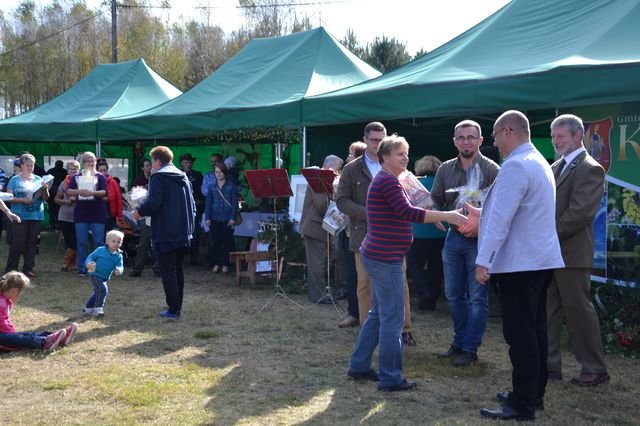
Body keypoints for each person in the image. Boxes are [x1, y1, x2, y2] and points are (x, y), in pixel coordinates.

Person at [347, 135, 466, 392]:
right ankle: (390, 377)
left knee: (379, 314)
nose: (406, 158)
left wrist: (435, 215)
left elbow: (411, 205)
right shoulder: (388, 181)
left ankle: (359, 365)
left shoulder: (391, 180)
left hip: (379, 254)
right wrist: (447, 215)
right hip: (385, 257)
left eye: (407, 153)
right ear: (385, 157)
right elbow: (408, 212)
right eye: (400, 154)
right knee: (393, 319)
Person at [465, 110, 564, 421]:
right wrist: (483, 215)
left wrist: (483, 260)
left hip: (521, 263)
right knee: (535, 330)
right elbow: (515, 211)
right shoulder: (538, 162)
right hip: (538, 260)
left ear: (508, 131)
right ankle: (533, 395)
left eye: (495, 136)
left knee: (521, 334)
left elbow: (501, 219)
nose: (494, 143)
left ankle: (522, 403)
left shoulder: (516, 165)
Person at [336, 122, 417, 346]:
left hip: (392, 236)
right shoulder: (352, 169)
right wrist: (370, 212)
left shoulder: (398, 166)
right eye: (374, 140)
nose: (378, 143)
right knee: (364, 285)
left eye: (382, 139)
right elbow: (341, 201)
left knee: (400, 283)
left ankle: (404, 330)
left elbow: (412, 199)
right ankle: (369, 331)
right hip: (363, 234)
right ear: (365, 140)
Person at [546, 114, 610, 386]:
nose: (556, 141)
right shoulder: (556, 166)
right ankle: (550, 366)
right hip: (550, 252)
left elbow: (579, 214)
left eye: (561, 136)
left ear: (578, 135)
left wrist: (545, 236)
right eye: (553, 136)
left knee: (578, 312)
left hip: (572, 254)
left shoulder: (590, 168)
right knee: (548, 310)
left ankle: (594, 368)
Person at [431, 119, 500, 367]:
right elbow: (435, 198)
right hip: (453, 238)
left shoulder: (492, 170)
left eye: (471, 137)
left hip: (480, 240)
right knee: (453, 294)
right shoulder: (445, 169)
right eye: (461, 138)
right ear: (455, 142)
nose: (466, 142)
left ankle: (470, 348)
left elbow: (500, 207)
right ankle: (459, 342)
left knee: (478, 297)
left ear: (480, 140)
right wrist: (437, 214)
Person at [133, 146, 196, 319]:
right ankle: (177, 305)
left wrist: (138, 212)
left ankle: (173, 309)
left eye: (152, 161)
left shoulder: (159, 177)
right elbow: (192, 204)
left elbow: (154, 203)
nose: (152, 165)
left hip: (166, 231)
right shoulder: (183, 176)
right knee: (177, 269)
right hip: (183, 231)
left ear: (157, 161)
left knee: (168, 271)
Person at [300, 155, 344, 303]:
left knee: (319, 262)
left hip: (317, 226)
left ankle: (320, 293)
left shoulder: (321, 179)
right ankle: (318, 295)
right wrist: (337, 213)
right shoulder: (318, 179)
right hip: (315, 227)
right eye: (338, 168)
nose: (338, 172)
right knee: (316, 263)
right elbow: (321, 205)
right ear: (330, 166)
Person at [0, 271, 78, 352]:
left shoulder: (5, 300)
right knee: (18, 338)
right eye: (20, 292)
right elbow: (1, 322)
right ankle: (44, 342)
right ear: (13, 291)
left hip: (4, 333)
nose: (20, 295)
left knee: (26, 334)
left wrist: (12, 333)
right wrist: (11, 333)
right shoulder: (1, 303)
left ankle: (59, 337)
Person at [407, 155, 447, 311]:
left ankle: (423, 291)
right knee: (436, 267)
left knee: (414, 264)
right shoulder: (443, 184)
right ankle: (432, 299)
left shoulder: (415, 185)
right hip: (441, 232)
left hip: (419, 231)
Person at [5, 153, 50, 278]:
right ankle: (11, 268)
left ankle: (28, 268)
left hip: (36, 216)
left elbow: (45, 198)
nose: (30, 167)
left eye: (32, 165)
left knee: (32, 243)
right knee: (18, 243)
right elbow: (9, 198)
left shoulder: (38, 179)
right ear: (21, 165)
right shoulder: (14, 180)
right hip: (19, 216)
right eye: (27, 165)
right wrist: (23, 200)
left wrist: (45, 189)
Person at [337, 141, 367, 328]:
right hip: (347, 229)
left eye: (350, 154)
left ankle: (360, 314)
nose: (347, 157)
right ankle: (354, 312)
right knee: (351, 273)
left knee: (359, 276)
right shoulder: (347, 173)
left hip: (360, 230)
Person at [66, 152, 108, 277]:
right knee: (81, 242)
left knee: (99, 242)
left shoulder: (100, 177)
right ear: (83, 163)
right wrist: (80, 191)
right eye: (87, 161)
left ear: (95, 162)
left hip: (97, 213)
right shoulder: (77, 176)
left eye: (92, 161)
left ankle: (98, 268)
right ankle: (82, 268)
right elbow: (68, 191)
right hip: (81, 213)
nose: (90, 163)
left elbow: (104, 192)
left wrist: (92, 193)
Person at [204, 163, 239, 274]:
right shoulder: (211, 186)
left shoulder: (231, 186)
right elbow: (208, 203)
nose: (218, 174)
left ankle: (225, 264)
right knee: (215, 242)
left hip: (227, 217)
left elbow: (234, 204)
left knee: (227, 242)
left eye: (220, 172)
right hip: (214, 217)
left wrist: (233, 218)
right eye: (216, 172)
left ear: (225, 173)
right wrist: (207, 217)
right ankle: (216, 263)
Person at [83, 230, 124, 317]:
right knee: (103, 289)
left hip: (104, 277)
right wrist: (89, 263)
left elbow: (120, 266)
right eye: (113, 241)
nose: (116, 244)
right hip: (95, 274)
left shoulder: (119, 255)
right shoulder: (100, 250)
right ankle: (98, 308)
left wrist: (119, 270)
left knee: (98, 291)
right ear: (107, 241)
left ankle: (88, 307)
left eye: (119, 242)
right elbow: (90, 257)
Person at [130, 158, 155, 278]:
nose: (149, 167)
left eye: (150, 165)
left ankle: (158, 268)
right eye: (147, 165)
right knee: (144, 243)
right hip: (146, 215)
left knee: (157, 244)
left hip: (157, 215)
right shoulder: (139, 180)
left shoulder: (158, 179)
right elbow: (136, 198)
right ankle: (137, 268)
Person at [54, 160, 80, 272]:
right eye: (70, 169)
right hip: (64, 216)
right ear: (67, 171)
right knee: (69, 239)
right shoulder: (63, 183)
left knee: (76, 239)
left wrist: (77, 199)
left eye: (75, 169)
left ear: (79, 170)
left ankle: (68, 262)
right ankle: (70, 263)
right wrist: (66, 201)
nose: (73, 171)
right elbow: (56, 199)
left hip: (79, 216)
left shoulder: (84, 183)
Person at [179, 153, 204, 266]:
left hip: (195, 207)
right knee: (180, 233)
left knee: (195, 233)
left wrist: (200, 201)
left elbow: (202, 192)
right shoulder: (177, 174)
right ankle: (181, 256)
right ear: (181, 163)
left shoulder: (198, 175)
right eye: (186, 162)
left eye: (190, 162)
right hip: (180, 208)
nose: (188, 164)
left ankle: (194, 257)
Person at [96, 159, 123, 234]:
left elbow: (119, 199)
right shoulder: (94, 182)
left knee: (108, 234)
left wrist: (119, 217)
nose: (102, 172)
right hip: (96, 214)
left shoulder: (113, 182)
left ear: (107, 170)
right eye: (100, 170)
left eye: (104, 170)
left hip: (110, 215)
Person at [46, 160, 67, 231]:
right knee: (59, 210)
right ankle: (59, 226)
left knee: (52, 211)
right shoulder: (65, 171)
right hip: (60, 194)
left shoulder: (50, 171)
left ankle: (53, 226)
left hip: (52, 194)